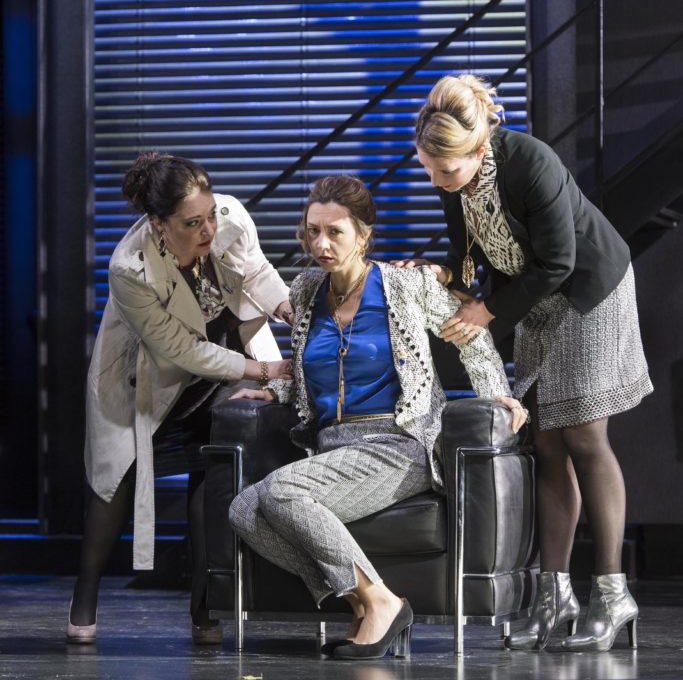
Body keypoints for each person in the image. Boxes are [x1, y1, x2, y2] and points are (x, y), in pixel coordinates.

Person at [227, 174, 527, 661]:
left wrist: (498, 394)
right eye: (312, 231)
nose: (320, 244)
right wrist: (274, 388)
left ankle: (382, 603)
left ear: (364, 235)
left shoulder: (405, 285)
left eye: (335, 232)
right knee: (243, 509)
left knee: (281, 490)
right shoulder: (306, 290)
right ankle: (367, 604)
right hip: (332, 447)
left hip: (399, 442)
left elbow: (471, 336)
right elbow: (308, 366)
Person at [404, 73, 653, 652]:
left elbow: (559, 261)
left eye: (446, 171)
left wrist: (487, 310)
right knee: (544, 441)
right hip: (533, 300)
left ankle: (613, 593)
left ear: (479, 149)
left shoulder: (530, 162)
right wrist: (445, 274)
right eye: (428, 170)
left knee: (583, 435)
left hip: (588, 292)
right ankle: (554, 596)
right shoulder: (453, 178)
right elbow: (466, 250)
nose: (437, 181)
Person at [67, 152, 292, 645]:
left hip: (225, 361)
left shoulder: (229, 217)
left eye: (209, 215)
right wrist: (264, 370)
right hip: (149, 377)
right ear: (158, 223)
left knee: (213, 472)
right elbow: (181, 348)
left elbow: (255, 270)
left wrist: (286, 306)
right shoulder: (130, 268)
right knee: (114, 483)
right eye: (193, 223)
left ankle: (204, 607)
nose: (208, 229)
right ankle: (85, 595)